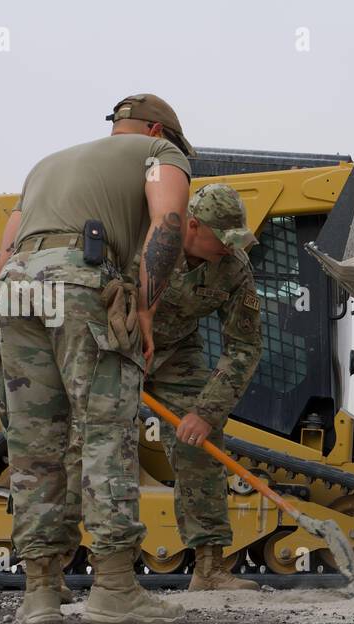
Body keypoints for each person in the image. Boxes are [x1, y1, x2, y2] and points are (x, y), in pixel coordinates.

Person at [0, 94, 193, 624]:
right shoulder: (159, 152)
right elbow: (169, 220)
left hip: (15, 292)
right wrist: (145, 306)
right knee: (106, 434)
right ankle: (114, 589)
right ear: (156, 128)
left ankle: (40, 592)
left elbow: (4, 255)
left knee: (35, 447)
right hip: (82, 282)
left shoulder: (44, 166)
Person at [146, 184, 265, 590]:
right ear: (193, 225)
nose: (230, 248)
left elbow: (245, 345)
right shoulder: (147, 239)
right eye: (223, 239)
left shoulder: (233, 267)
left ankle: (210, 569)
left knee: (200, 446)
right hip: (116, 346)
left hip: (176, 351)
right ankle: (49, 570)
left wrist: (204, 411)